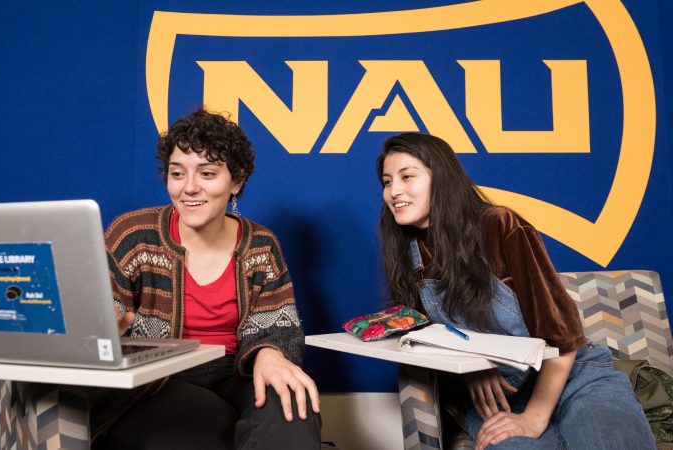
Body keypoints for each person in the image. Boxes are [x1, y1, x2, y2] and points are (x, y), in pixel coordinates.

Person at [376, 132, 655, 449]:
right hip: (499, 401)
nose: (393, 191)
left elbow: (564, 335)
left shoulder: (499, 225)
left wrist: (535, 417)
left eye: (406, 176)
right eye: (386, 182)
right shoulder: (407, 252)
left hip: (575, 378)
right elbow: (427, 337)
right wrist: (474, 367)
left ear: (440, 178)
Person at [96, 108, 321, 449]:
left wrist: (271, 353)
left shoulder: (261, 244)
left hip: (235, 372)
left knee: (292, 404)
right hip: (157, 382)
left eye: (207, 173)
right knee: (212, 426)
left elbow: (278, 326)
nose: (189, 188)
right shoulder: (133, 235)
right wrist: (105, 328)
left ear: (237, 181)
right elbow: (100, 314)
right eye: (177, 173)